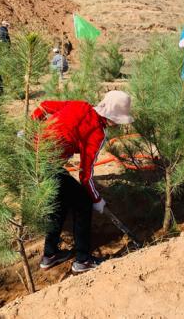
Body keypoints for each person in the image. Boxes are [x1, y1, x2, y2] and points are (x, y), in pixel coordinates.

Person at [30, 91, 134, 273]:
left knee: (60, 201)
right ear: (114, 118)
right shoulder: (97, 133)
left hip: (31, 157)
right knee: (83, 202)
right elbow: (85, 176)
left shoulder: (80, 105)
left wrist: (31, 128)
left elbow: (44, 105)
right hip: (46, 165)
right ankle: (83, 260)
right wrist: (97, 201)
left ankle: (50, 255)